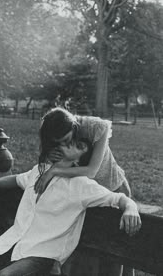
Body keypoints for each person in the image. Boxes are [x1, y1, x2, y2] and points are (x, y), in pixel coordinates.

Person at [0, 141, 141, 276]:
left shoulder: (81, 185)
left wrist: (130, 208)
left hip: (41, 258)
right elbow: (16, 179)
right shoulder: (38, 173)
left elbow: (119, 197)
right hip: (10, 246)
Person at [34, 107, 134, 276]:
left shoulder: (95, 127)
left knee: (115, 251)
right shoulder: (54, 136)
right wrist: (54, 162)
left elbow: (91, 171)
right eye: (56, 142)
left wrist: (54, 171)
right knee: (86, 249)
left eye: (65, 139)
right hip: (83, 195)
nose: (62, 145)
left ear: (73, 127)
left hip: (113, 189)